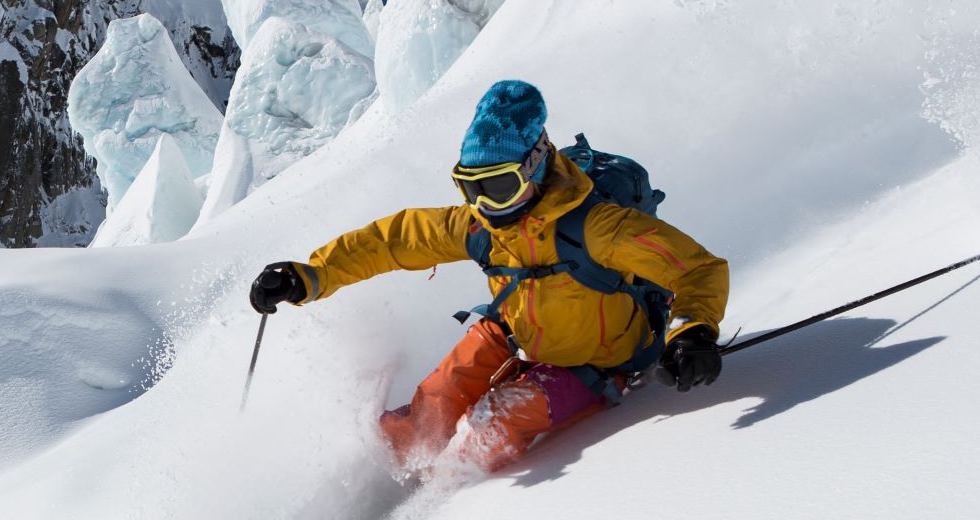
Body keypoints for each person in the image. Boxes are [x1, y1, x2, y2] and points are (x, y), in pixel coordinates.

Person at [248, 79, 729, 472]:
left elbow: (697, 268)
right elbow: (392, 240)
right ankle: (376, 485)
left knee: (489, 428)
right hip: (517, 333)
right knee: (432, 407)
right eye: (469, 186)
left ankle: (434, 519)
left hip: (597, 364)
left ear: (536, 166)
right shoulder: (479, 225)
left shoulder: (599, 228)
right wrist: (310, 275)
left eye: (498, 187)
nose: (482, 205)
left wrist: (693, 332)